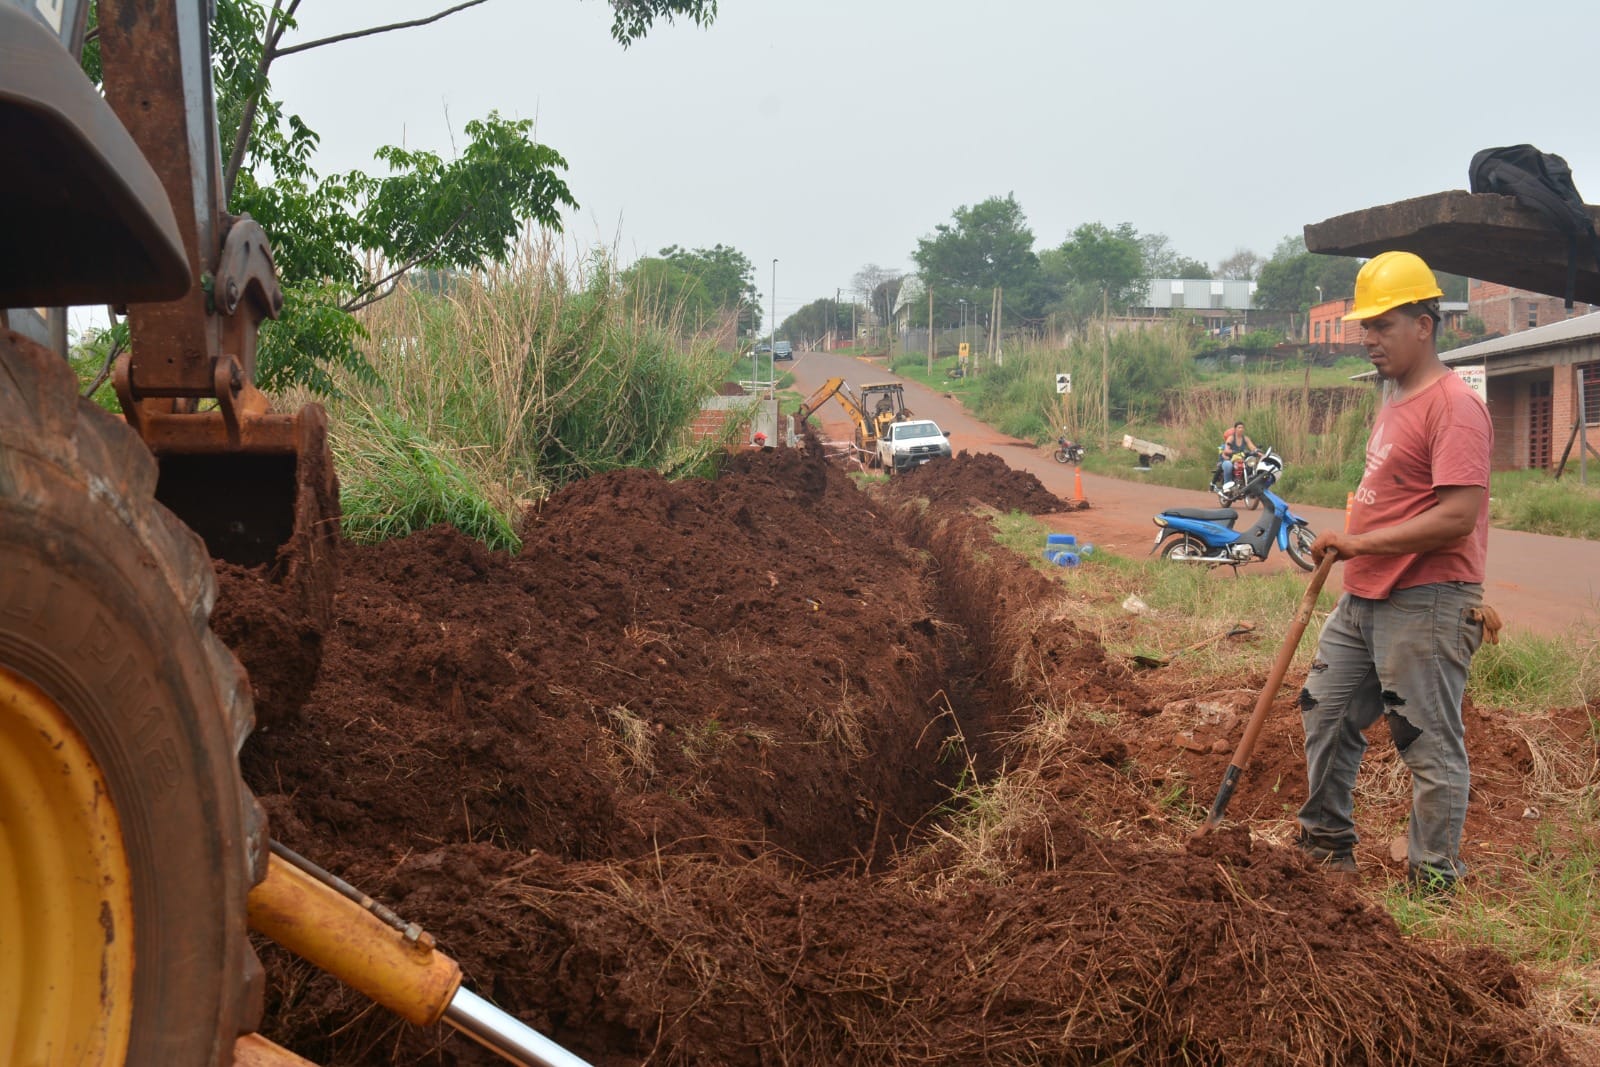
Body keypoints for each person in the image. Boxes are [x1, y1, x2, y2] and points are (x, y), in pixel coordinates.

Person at [1298, 250, 1493, 894]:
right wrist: (1358, 553)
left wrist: (1360, 543)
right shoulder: (1395, 398)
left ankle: (1432, 880)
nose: (1369, 338)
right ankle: (1326, 851)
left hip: (1427, 598)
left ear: (1425, 324)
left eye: (1383, 325)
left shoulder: (1455, 406)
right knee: (1324, 711)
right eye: (1366, 326)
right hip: (1365, 595)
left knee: (1427, 742)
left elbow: (1457, 516)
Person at [1212, 421, 1258, 490]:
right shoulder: (1223, 446)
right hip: (1225, 461)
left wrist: (1254, 452)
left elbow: (1248, 449)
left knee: (1250, 464)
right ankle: (1222, 485)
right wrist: (1228, 455)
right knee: (1226, 466)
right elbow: (1224, 454)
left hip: (1238, 460)